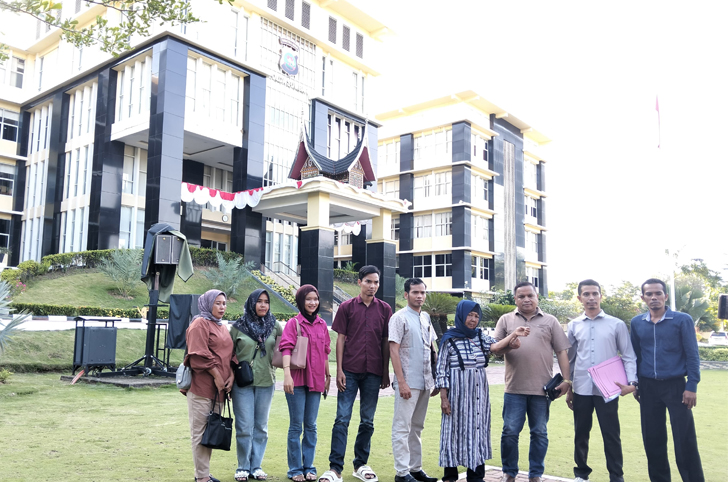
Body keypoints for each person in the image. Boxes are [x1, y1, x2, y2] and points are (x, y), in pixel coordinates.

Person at [436, 300, 529, 482]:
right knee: (452, 432)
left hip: (479, 396)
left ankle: (476, 476)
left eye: (476, 316)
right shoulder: (449, 339)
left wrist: (512, 340)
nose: (473, 319)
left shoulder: (480, 336)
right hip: (457, 396)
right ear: (461, 315)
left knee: (477, 430)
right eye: (469, 315)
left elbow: (495, 347)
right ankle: (450, 475)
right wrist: (444, 398)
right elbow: (441, 370)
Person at [319, 265, 392, 482]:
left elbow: (385, 341)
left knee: (367, 421)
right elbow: (340, 339)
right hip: (349, 371)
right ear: (359, 282)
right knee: (342, 419)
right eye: (368, 281)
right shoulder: (346, 307)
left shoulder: (385, 309)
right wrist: (339, 370)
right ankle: (335, 468)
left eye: (376, 282)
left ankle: (360, 464)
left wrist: (385, 372)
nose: (372, 286)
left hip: (374, 372)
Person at [495, 281, 571, 482]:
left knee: (539, 433)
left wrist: (567, 380)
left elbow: (562, 352)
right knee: (510, 432)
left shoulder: (550, 321)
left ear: (537, 297)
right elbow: (495, 350)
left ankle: (535, 474)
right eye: (521, 296)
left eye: (530, 295)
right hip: (514, 389)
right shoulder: (506, 319)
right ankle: (509, 472)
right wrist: (512, 339)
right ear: (515, 299)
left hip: (542, 390)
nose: (526, 299)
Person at [629, 278, 704, 482]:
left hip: (676, 387)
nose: (654, 297)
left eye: (658, 293)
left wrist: (692, 386)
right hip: (648, 387)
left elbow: (692, 355)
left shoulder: (682, 320)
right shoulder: (637, 322)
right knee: (652, 438)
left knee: (684, 438)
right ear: (643, 297)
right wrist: (636, 383)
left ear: (665, 296)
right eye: (649, 294)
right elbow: (635, 355)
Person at [565, 280, 637, 482]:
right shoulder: (574, 325)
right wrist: (569, 387)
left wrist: (632, 383)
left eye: (595, 293)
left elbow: (628, 355)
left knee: (611, 434)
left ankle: (616, 476)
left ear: (600, 296)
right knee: (581, 433)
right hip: (581, 389)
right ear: (579, 298)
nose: (591, 298)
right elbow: (570, 359)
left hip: (609, 389)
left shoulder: (616, 324)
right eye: (586, 294)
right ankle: (581, 474)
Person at [230, 289, 284, 482]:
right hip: (242, 384)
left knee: (261, 427)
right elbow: (229, 355)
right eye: (259, 301)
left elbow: (285, 349)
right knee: (244, 426)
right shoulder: (238, 326)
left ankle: (256, 466)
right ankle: (243, 467)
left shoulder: (275, 325)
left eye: (266, 302)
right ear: (251, 303)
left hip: (266, 382)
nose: (263, 305)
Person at [183, 289, 237, 482]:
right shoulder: (200, 324)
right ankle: (202, 477)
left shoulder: (221, 326)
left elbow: (230, 355)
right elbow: (197, 355)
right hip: (202, 388)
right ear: (207, 304)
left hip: (219, 390)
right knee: (199, 433)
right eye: (217, 303)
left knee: (210, 432)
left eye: (224, 303)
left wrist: (231, 375)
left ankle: (203, 473)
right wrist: (216, 375)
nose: (222, 307)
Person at [388, 278, 438, 482]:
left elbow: (432, 349)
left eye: (422, 292)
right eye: (415, 292)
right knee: (402, 427)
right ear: (406, 294)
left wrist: (435, 379)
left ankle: (415, 469)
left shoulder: (425, 317)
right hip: (408, 381)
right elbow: (393, 350)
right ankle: (402, 473)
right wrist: (401, 382)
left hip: (426, 380)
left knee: (417, 426)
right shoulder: (399, 318)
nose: (419, 296)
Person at [281, 285, 332, 482]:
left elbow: (325, 352)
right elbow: (286, 348)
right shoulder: (294, 323)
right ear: (301, 301)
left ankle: (309, 467)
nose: (313, 302)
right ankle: (295, 469)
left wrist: (328, 376)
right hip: (297, 379)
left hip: (316, 380)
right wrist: (287, 375)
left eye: (315, 299)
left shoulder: (321, 324)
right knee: (296, 426)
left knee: (311, 425)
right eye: (308, 299)